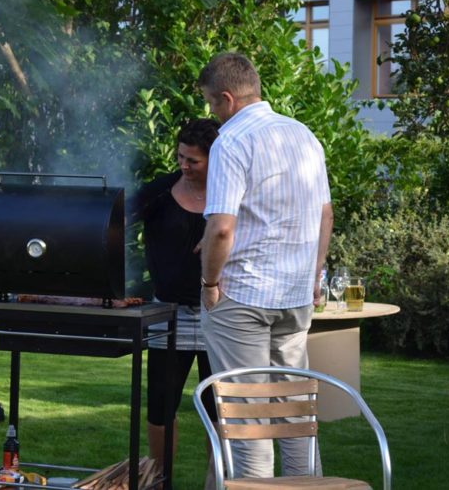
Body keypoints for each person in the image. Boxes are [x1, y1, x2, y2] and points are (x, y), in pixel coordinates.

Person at [197, 53, 334, 479]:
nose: (212, 115)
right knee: (295, 416)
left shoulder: (232, 141)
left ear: (227, 98)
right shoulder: (304, 135)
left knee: (248, 419)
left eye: (211, 104)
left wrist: (209, 283)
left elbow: (221, 228)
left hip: (242, 297)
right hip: (295, 296)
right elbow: (325, 214)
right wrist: (313, 277)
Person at [130, 118, 220, 470]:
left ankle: (218, 481)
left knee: (219, 406)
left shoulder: (230, 195)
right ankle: (159, 478)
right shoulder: (160, 192)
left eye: (193, 160)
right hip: (168, 315)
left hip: (219, 314)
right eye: (181, 156)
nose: (184, 165)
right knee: (160, 405)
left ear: (215, 159)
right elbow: (116, 218)